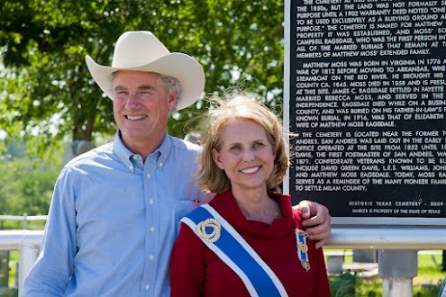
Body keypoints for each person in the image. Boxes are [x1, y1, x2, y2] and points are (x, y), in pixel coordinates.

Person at [24, 31, 330, 297]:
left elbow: (252, 206)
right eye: (122, 93)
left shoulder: (204, 166)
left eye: (145, 91)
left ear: (171, 99)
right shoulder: (79, 176)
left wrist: (304, 213)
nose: (132, 104)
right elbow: (47, 278)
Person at [170, 94, 330, 297]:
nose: (248, 157)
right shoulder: (198, 232)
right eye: (235, 148)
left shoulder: (304, 226)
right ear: (219, 158)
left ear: (273, 149)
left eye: (257, 145)